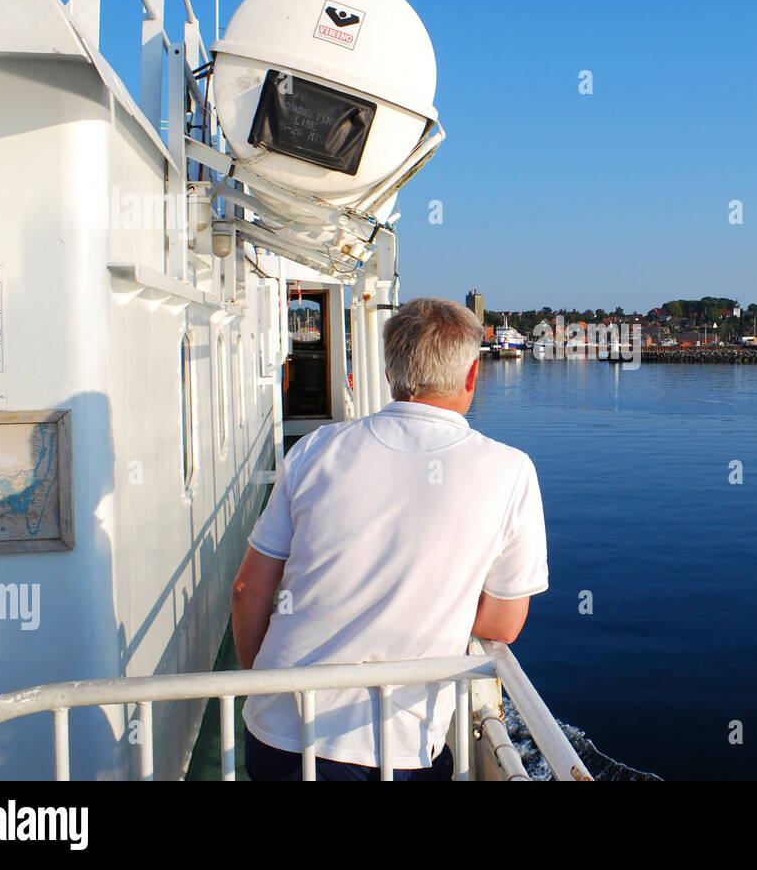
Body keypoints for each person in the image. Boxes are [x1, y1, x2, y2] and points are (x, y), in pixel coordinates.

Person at [231, 297, 548, 781]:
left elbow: (246, 589)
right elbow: (502, 625)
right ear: (471, 376)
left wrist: (265, 688)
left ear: (389, 373)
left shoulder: (315, 449)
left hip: (280, 735)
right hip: (396, 747)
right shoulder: (510, 471)